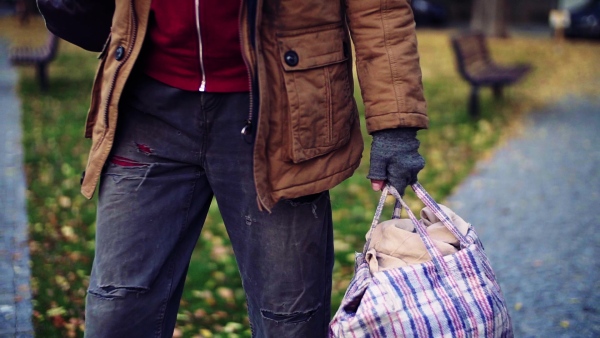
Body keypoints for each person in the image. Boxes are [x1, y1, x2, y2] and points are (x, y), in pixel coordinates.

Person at [37, 0, 427, 336]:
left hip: (282, 119)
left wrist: (395, 126)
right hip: (148, 108)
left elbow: (380, 8)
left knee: (289, 318)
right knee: (118, 308)